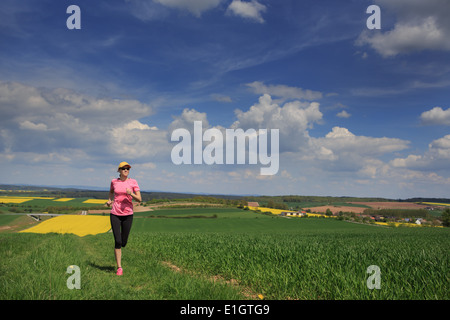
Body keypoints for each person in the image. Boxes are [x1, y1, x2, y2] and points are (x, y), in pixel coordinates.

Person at [106, 161, 142, 276]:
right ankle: (119, 267)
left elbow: (139, 199)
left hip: (128, 214)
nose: (126, 170)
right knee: (117, 241)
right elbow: (111, 192)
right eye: (123, 168)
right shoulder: (114, 182)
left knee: (124, 242)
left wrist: (131, 193)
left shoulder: (133, 182)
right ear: (119, 170)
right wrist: (109, 200)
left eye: (128, 169)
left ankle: (122, 244)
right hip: (115, 214)